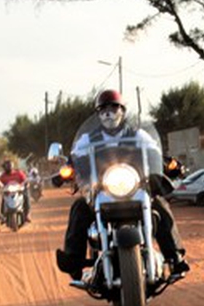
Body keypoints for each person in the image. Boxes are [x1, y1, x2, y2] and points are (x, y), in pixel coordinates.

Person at [55, 89, 187, 281]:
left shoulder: (138, 134)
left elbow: (154, 150)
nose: (109, 113)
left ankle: (174, 256)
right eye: (104, 109)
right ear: (98, 114)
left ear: (122, 111)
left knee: (159, 205)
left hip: (134, 187)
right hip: (101, 189)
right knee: (79, 208)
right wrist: (68, 168)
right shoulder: (88, 139)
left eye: (114, 107)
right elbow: (75, 157)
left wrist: (168, 163)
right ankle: (74, 262)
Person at [0, 157, 30, 222]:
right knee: (1, 199)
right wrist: (0, 186)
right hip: (8, 193)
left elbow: (25, 180)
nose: (9, 168)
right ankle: (2, 215)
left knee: (26, 196)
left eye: (10, 166)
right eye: (7, 166)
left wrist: (26, 184)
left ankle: (27, 214)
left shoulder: (19, 173)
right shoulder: (3, 176)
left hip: (18, 191)